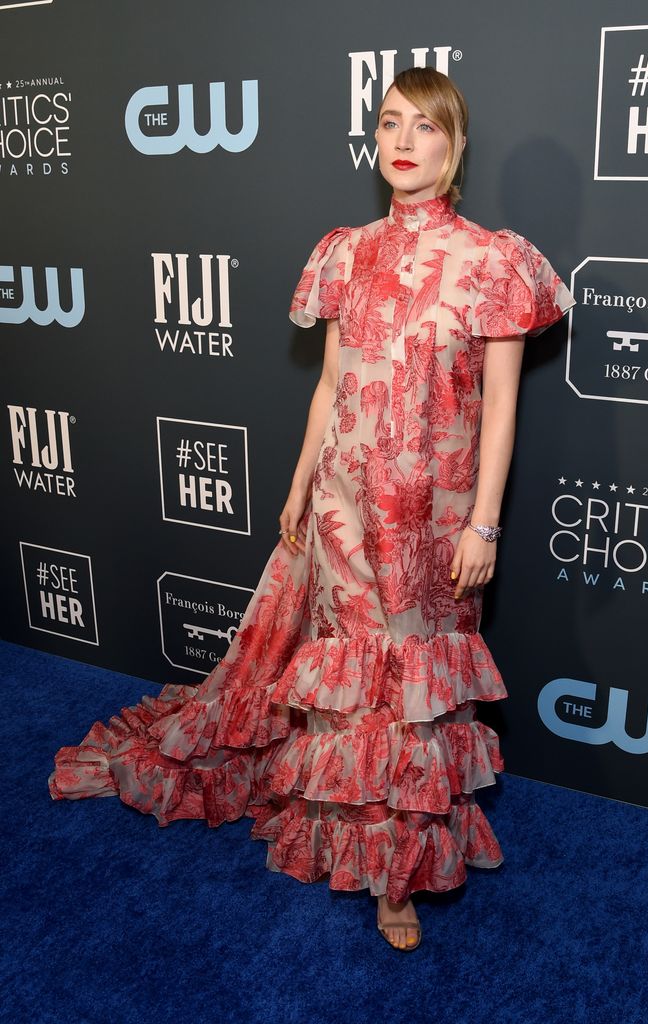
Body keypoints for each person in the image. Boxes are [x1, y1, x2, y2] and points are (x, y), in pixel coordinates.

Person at [49, 66, 575, 953]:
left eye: (424, 126)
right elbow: (330, 387)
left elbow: (501, 411)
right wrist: (297, 485)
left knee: (412, 693)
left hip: (435, 520)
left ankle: (402, 866)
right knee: (348, 685)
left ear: (454, 144)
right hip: (342, 507)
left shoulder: (494, 262)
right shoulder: (345, 251)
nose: (403, 142)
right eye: (388, 123)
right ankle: (363, 855)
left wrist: (485, 521)